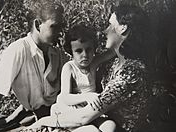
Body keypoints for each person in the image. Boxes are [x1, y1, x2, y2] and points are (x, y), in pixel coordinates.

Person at [22, 4, 152, 132]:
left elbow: (87, 114)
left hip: (101, 118)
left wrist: (43, 121)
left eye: (110, 25)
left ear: (123, 28)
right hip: (83, 111)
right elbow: (68, 99)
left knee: (107, 127)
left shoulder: (131, 72)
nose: (105, 30)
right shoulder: (112, 64)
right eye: (78, 51)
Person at [0, 1, 68, 132]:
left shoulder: (58, 54)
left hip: (57, 116)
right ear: (38, 25)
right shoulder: (18, 50)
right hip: (36, 120)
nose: (60, 32)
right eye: (54, 27)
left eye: (61, 27)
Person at [49, 24, 116, 132]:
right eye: (79, 51)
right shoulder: (69, 67)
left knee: (110, 126)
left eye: (89, 50)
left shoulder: (93, 63)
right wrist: (87, 96)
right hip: (71, 111)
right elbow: (65, 97)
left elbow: (111, 53)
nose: (85, 55)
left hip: (89, 110)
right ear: (70, 52)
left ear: (94, 49)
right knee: (91, 130)